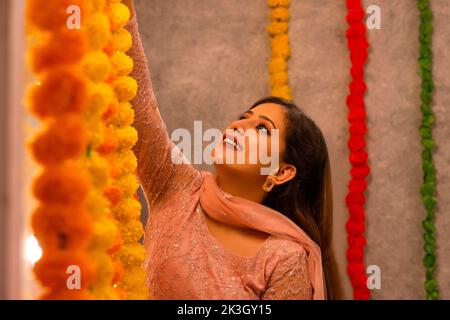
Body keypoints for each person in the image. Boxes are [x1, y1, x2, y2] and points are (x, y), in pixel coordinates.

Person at [123, 0, 342, 299]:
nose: (239, 126)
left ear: (280, 172)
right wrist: (123, 9)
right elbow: (139, 103)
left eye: (262, 129)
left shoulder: (284, 259)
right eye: (243, 118)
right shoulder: (176, 188)